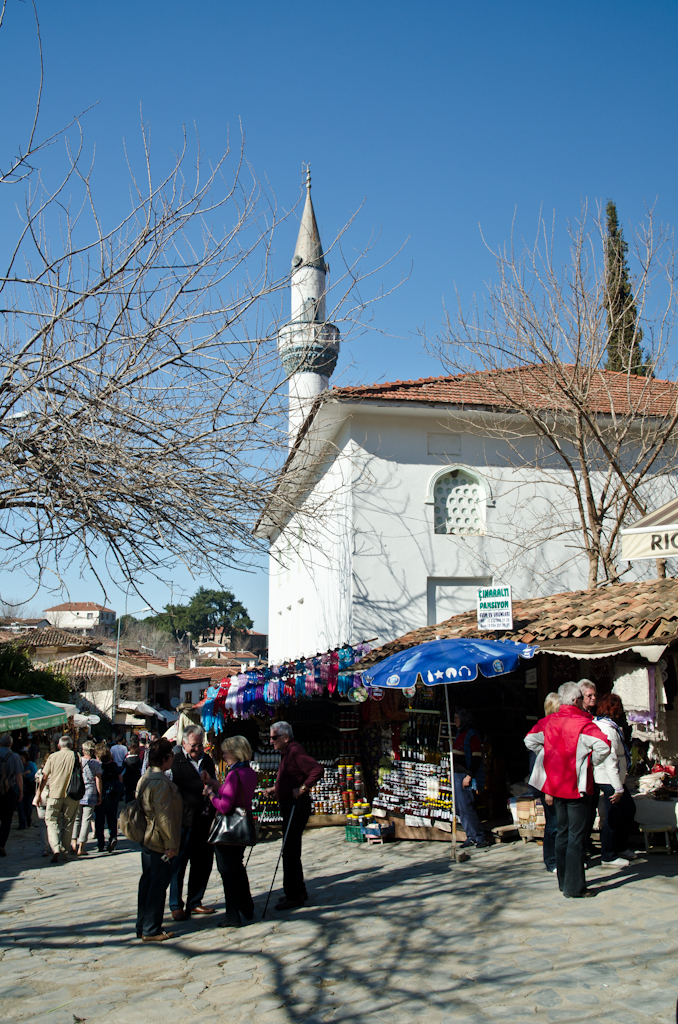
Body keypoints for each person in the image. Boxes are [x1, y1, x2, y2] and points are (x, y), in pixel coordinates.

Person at [525, 681, 610, 899]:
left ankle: (563, 881)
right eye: (582, 698)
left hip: (555, 784)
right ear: (575, 700)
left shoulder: (548, 722)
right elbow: (603, 745)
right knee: (576, 836)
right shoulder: (583, 723)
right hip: (577, 786)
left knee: (562, 833)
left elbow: (530, 740)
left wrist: (547, 756)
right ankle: (574, 887)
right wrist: (589, 762)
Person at [264, 721, 323, 911]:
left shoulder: (295, 750)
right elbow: (293, 776)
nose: (271, 741)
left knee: (289, 850)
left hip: (296, 805)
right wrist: (276, 789)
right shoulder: (287, 752)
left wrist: (303, 788)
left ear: (286, 737)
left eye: (274, 737)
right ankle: (298, 890)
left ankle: (294, 895)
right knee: (290, 849)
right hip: (289, 803)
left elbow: (317, 770)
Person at [204, 735, 257, 927]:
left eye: (226, 751)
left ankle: (232, 915)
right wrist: (216, 784)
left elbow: (224, 806)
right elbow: (233, 794)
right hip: (242, 827)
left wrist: (210, 794)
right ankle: (247, 906)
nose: (223, 755)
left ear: (235, 753)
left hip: (228, 830)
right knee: (239, 868)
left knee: (228, 872)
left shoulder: (233, 774)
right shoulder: (249, 772)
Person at [168, 724, 217, 921]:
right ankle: (176, 905)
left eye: (199, 746)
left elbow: (212, 780)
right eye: (193, 746)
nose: (197, 750)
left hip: (204, 820)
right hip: (183, 821)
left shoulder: (207, 761)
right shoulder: (175, 762)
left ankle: (195, 901)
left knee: (202, 863)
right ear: (184, 743)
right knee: (179, 864)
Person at [135, 737, 182, 942]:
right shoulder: (160, 782)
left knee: (147, 881)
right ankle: (151, 928)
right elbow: (164, 816)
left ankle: (143, 924)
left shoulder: (145, 777)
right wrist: (171, 845)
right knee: (157, 884)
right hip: (158, 840)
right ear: (164, 758)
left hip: (147, 837)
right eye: (171, 756)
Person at [594, 692, 637, 869]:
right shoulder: (607, 729)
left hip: (615, 777)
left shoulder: (611, 727)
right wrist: (618, 788)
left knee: (626, 810)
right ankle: (609, 854)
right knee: (613, 814)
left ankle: (619, 846)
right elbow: (610, 760)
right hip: (610, 778)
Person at [527, 692, 561, 873]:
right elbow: (529, 741)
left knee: (559, 822)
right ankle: (552, 860)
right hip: (548, 785)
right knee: (553, 824)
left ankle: (559, 858)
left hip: (559, 783)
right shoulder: (545, 727)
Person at [38, 735, 79, 863]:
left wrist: (39, 793)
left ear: (59, 745)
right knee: (68, 823)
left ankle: (55, 847)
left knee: (51, 820)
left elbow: (44, 776)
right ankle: (64, 852)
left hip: (55, 793)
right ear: (71, 745)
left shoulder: (53, 756)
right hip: (72, 794)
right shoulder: (75, 756)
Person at [451, 709, 487, 849]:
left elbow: (476, 757)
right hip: (456, 773)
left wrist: (469, 775)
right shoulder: (459, 733)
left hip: (464, 774)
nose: (455, 720)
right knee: (459, 808)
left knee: (467, 806)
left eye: (456, 718)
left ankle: (479, 836)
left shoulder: (472, 734)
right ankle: (470, 835)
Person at [71, 741, 102, 855]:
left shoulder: (78, 761)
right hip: (90, 792)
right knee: (86, 820)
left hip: (78, 792)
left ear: (83, 750)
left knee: (76, 819)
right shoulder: (96, 763)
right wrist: (99, 794)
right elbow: (98, 779)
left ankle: (73, 844)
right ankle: (81, 847)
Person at [0, 733, 24, 857]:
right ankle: (1, 844)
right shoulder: (14, 757)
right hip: (7, 791)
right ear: (11, 744)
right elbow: (18, 776)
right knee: (6, 820)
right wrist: (21, 791)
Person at [95, 744, 122, 852]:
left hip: (101, 795)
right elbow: (120, 779)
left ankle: (100, 842)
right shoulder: (114, 765)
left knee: (99, 820)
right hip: (113, 795)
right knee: (112, 818)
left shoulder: (98, 766)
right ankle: (113, 837)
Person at [18, 751, 38, 829]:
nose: (21, 760)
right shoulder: (19, 765)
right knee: (20, 806)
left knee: (28, 806)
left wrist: (25, 774)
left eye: (22, 758)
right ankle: (22, 823)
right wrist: (25, 773)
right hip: (21, 788)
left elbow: (34, 774)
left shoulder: (31, 764)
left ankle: (28, 820)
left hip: (29, 788)